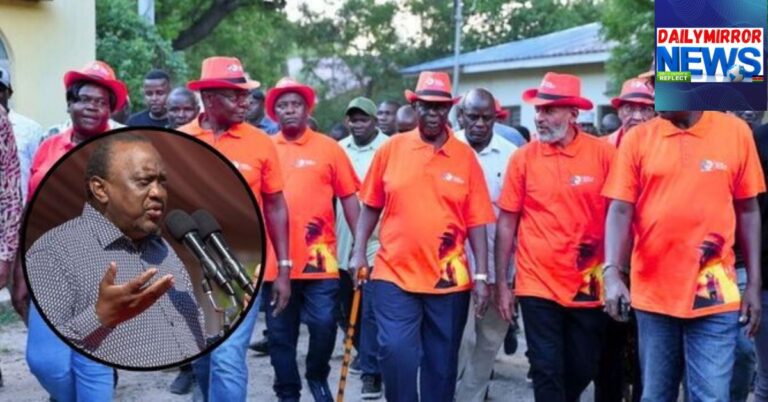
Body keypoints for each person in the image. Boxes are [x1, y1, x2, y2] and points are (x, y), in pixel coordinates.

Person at [350, 71, 495, 402]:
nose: (433, 114)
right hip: (393, 273)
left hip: (448, 280)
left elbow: (477, 223)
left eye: (440, 107)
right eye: (426, 106)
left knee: (441, 364)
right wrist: (358, 252)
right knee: (395, 351)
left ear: (449, 111)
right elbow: (370, 205)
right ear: (414, 107)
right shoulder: (392, 149)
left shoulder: (465, 158)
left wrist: (483, 276)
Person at [602, 110, 764, 401]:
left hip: (712, 292)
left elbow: (748, 209)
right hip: (653, 293)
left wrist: (753, 283)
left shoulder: (736, 132)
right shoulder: (639, 138)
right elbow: (620, 209)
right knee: (656, 394)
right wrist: (612, 272)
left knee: (710, 396)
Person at [27, 133, 206, 366]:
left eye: (162, 182)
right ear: (100, 189)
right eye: (144, 182)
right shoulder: (54, 253)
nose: (158, 193)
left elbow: (190, 329)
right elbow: (48, 360)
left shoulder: (161, 246)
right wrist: (100, 317)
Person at [495, 72, 614, 402]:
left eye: (549, 110)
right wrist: (504, 284)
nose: (539, 117)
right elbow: (507, 222)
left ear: (573, 114)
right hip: (537, 282)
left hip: (588, 282)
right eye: (538, 110)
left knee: (583, 365)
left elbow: (620, 214)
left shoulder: (603, 155)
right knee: (545, 368)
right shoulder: (523, 158)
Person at [179, 56, 291, 402]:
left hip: (243, 265)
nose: (246, 102)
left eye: (247, 95)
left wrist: (284, 268)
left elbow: (275, 205)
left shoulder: (261, 143)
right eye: (235, 96)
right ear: (209, 99)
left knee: (227, 357)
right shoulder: (180, 141)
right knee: (204, 355)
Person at [24, 60, 128, 401]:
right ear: (70, 103)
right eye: (85, 99)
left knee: (93, 361)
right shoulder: (48, 147)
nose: (92, 107)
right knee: (45, 361)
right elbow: (32, 205)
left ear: (110, 110)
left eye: (101, 102)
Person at [264, 77, 361, 402]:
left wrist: (361, 250)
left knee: (323, 325)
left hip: (320, 258)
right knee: (280, 334)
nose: (289, 110)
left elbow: (349, 199)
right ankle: (287, 391)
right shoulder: (266, 147)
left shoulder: (329, 148)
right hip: (275, 263)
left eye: (295, 105)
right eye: (282, 105)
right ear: (274, 111)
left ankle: (317, 375)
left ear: (307, 109)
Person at [454, 88, 517, 402]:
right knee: (457, 342)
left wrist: (509, 276)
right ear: (461, 116)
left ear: (496, 118)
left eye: (486, 118)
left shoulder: (511, 155)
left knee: (489, 342)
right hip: (453, 269)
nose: (479, 123)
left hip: (498, 267)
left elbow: (516, 216)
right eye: (473, 116)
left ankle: (470, 398)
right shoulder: (446, 149)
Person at [334, 96, 387, 399]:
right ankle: (364, 352)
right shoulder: (339, 149)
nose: (357, 124)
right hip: (341, 240)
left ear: (374, 120)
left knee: (368, 308)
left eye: (363, 118)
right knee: (341, 306)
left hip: (376, 241)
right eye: (353, 119)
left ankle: (372, 373)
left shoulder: (388, 147)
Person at [0, 67, 45, 202]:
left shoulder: (31, 129)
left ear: (10, 92)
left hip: (20, 215)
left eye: (0, 90)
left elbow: (39, 175)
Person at [603, 78, 655, 147]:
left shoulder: (667, 147)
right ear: (619, 112)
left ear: (655, 115)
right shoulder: (602, 147)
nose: (637, 117)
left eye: (646, 109)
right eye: (629, 108)